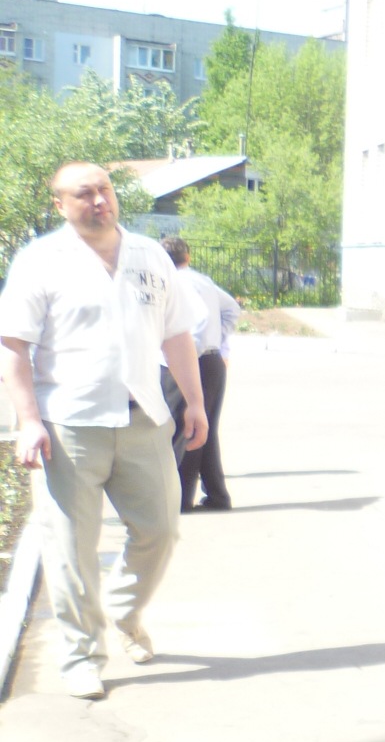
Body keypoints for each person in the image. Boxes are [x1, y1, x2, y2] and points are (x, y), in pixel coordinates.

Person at [0, 162, 206, 700]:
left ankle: (123, 611)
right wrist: (27, 420)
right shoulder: (40, 261)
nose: (98, 201)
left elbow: (177, 334)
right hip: (68, 425)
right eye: (84, 193)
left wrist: (195, 403)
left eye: (104, 190)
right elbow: (13, 346)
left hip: (143, 419)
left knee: (160, 530)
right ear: (60, 205)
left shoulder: (149, 255)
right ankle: (81, 657)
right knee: (70, 549)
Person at [160, 236, 240, 512]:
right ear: (188, 257)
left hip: (190, 362)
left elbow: (196, 323)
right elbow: (231, 309)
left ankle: (181, 499)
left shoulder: (175, 282)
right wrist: (217, 340)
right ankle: (217, 496)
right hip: (211, 361)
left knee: (186, 428)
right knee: (205, 428)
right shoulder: (202, 280)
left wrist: (187, 353)